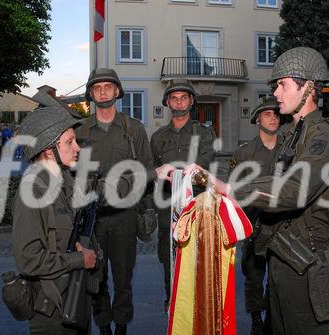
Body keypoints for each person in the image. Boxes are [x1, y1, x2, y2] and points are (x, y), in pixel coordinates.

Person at [186, 47, 329, 334]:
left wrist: (227, 187)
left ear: (308, 88)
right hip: (281, 257)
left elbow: (292, 191)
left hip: (306, 262)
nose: (277, 94)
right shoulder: (288, 137)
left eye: (282, 85)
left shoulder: (324, 139)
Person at [76, 67, 155, 335]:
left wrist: (147, 210)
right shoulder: (80, 132)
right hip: (92, 217)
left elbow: (146, 171)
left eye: (108, 87)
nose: (102, 92)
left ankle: (121, 325)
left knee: (123, 277)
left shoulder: (133, 129)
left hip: (125, 217)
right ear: (90, 94)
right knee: (95, 278)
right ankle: (103, 325)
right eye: (97, 88)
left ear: (117, 92)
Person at [11, 107, 97, 334]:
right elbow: (29, 261)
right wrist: (79, 259)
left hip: (74, 300)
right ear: (49, 151)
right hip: (52, 314)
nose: (77, 147)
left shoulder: (64, 181)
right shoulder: (32, 193)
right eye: (70, 142)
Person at [149, 79, 215, 311]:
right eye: (174, 98)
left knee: (199, 264)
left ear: (192, 101)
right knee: (169, 263)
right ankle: (173, 305)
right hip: (168, 214)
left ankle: (198, 311)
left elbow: (205, 167)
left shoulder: (205, 134)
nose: (179, 102)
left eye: (184, 97)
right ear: (167, 102)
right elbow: (154, 178)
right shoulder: (157, 138)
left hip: (197, 211)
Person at [229, 96, 286, 335]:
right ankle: (255, 319)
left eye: (275, 113)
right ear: (256, 119)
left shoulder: (290, 149)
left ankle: (273, 316)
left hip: (283, 226)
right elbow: (233, 191)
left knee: (279, 277)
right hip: (254, 225)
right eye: (266, 114)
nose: (272, 117)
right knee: (253, 277)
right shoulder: (244, 153)